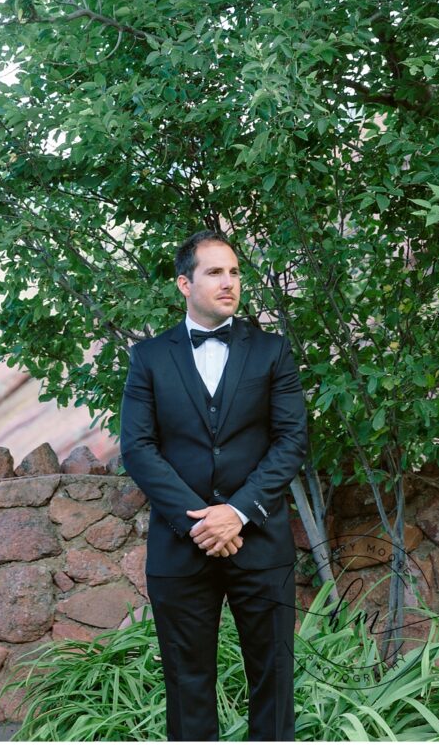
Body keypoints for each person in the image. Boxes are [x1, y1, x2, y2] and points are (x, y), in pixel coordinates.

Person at [120, 229, 308, 741]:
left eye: (234, 272)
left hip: (261, 544)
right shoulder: (150, 358)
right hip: (181, 549)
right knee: (188, 685)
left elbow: (291, 440)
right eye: (215, 272)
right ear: (184, 283)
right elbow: (138, 448)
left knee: (273, 682)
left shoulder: (271, 352)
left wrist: (238, 511)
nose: (229, 283)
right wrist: (200, 522)